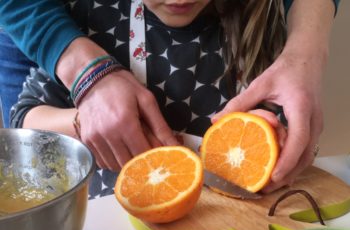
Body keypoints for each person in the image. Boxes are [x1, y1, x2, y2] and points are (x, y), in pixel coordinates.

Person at [1, 0, 339, 197]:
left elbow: (269, 121)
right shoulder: (91, 15)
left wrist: (272, 139)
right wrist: (84, 121)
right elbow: (24, 121)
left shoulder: (256, 16)